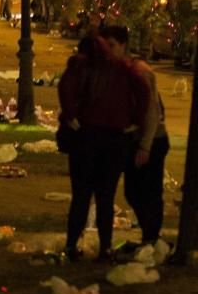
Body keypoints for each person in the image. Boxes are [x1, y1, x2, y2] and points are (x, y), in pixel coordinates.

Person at [58, 33, 150, 261]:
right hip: (114, 139)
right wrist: (134, 119)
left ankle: (71, 245)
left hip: (85, 137)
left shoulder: (80, 67)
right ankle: (105, 247)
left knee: (81, 195)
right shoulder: (122, 68)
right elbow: (144, 91)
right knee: (106, 196)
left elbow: (65, 89)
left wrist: (71, 115)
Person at [100, 26, 170, 250]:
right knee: (133, 190)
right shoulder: (120, 70)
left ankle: (151, 237)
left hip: (151, 139)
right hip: (135, 139)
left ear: (123, 45)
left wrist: (145, 146)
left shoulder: (139, 71)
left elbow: (152, 112)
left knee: (148, 191)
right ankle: (149, 236)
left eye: (111, 46)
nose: (108, 52)